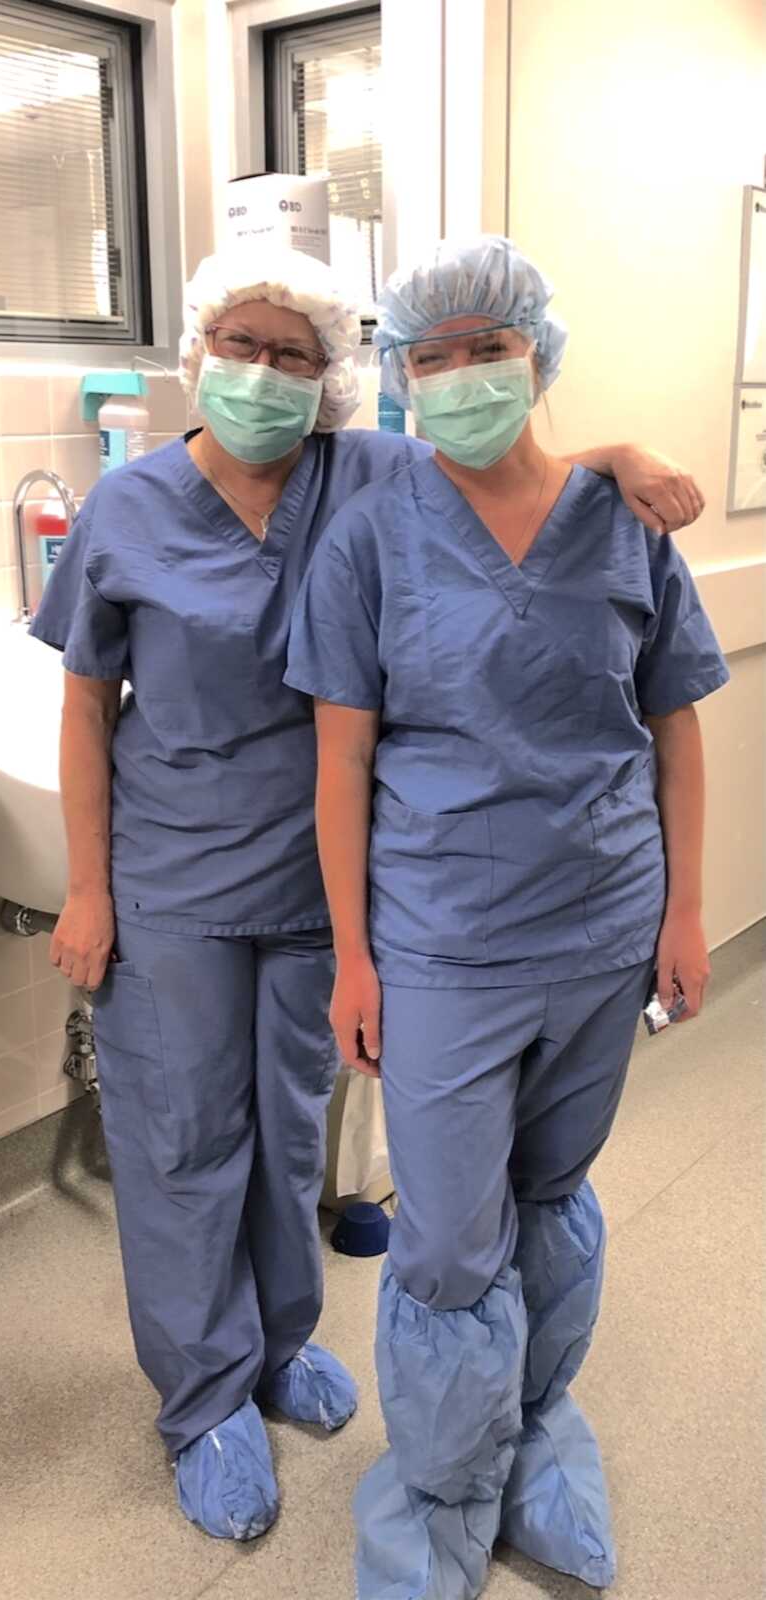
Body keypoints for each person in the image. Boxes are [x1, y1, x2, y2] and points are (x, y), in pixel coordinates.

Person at [31, 239, 705, 1547]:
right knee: (182, 1141)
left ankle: (281, 1345)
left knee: (290, 1136)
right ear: (197, 357)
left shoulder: (364, 472)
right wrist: (87, 890)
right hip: (171, 877)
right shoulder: (126, 509)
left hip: (323, 886)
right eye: (244, 348)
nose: (266, 377)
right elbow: (80, 711)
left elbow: (515, 465)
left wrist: (624, 459)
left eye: (295, 355)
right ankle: (205, 1395)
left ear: (338, 377)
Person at [284, 235, 729, 1599]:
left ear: (538, 350)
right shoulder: (376, 530)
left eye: (489, 343)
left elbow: (674, 732)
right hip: (442, 946)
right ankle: (438, 1497)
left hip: (604, 924)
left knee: (549, 1199)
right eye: (434, 354)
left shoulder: (625, 523)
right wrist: (355, 958)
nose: (464, 371)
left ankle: (534, 1435)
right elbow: (341, 762)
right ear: (406, 379)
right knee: (447, 1239)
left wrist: (684, 912)